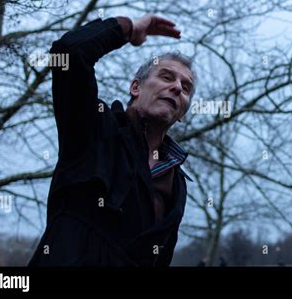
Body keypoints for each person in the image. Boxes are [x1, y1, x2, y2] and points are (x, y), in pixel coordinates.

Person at [27, 14, 196, 266]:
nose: (177, 88)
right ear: (135, 87)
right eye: (166, 77)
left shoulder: (176, 182)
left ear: (182, 112)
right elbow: (69, 53)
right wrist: (128, 28)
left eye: (186, 87)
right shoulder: (95, 129)